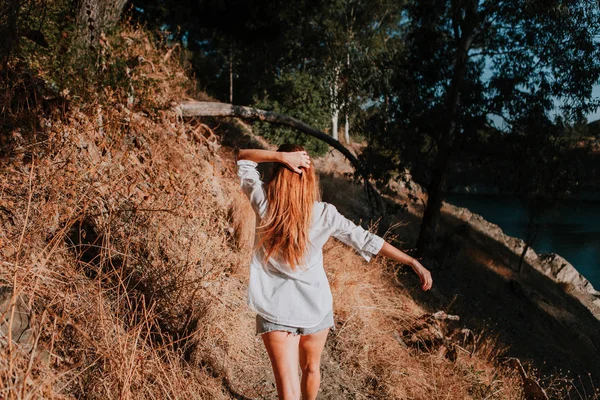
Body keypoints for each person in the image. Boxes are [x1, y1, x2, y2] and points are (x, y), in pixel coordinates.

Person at [236, 143, 432, 400]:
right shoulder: (324, 214)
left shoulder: (264, 204)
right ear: (309, 178)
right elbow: (367, 240)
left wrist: (280, 156)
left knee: (287, 384)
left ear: (276, 172)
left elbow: (242, 159)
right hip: (315, 306)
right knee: (312, 368)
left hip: (276, 307)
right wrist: (411, 261)